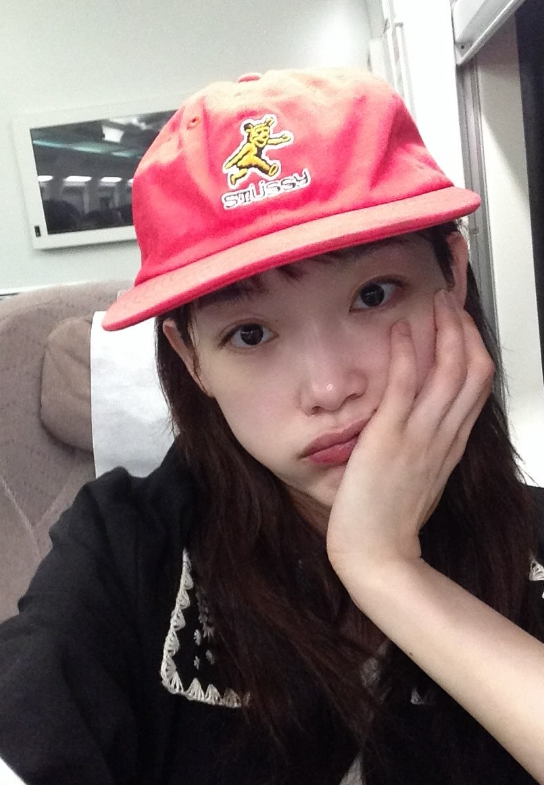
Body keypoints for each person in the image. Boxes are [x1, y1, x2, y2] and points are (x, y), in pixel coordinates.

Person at [0, 68, 543, 785]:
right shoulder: (125, 554)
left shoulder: (533, 541)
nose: (329, 388)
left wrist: (388, 570)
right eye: (250, 334)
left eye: (374, 295)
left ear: (454, 273)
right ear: (191, 360)